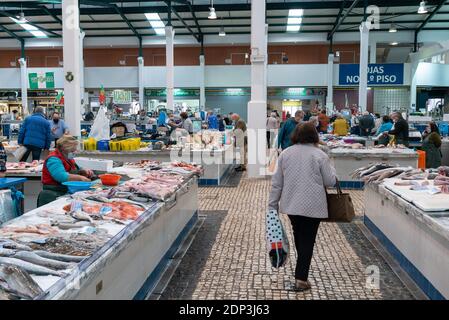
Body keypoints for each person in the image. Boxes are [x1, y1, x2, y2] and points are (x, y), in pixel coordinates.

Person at [269, 122, 337, 292]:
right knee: (307, 240)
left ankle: (301, 268)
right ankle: (301, 278)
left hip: (291, 204)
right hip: (313, 205)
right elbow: (330, 181)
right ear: (314, 135)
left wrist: (272, 205)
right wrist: (333, 170)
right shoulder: (320, 155)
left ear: (295, 135)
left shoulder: (285, 154)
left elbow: (277, 183)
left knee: (300, 237)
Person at [38, 135, 94, 207]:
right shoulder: (53, 159)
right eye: (72, 150)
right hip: (52, 194)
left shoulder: (68, 158)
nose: (75, 152)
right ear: (64, 149)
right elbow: (61, 176)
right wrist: (80, 178)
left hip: (64, 192)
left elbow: (75, 168)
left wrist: (83, 171)